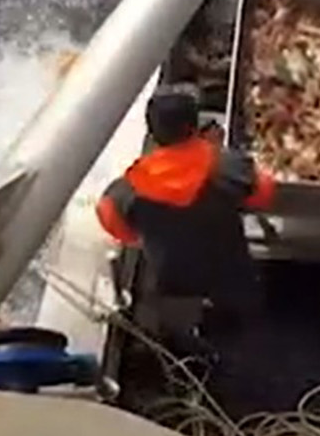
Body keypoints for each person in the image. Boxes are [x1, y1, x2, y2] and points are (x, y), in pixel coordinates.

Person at [97, 84, 276, 342]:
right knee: (240, 311)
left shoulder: (132, 185)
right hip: (229, 270)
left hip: (174, 279)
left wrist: (142, 237)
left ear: (153, 133)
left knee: (178, 329)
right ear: (194, 125)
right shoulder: (225, 165)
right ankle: (240, 334)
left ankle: (188, 347)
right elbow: (264, 194)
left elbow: (108, 214)